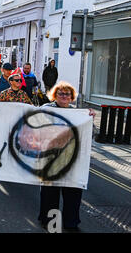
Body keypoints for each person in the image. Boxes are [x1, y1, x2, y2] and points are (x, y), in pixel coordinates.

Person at [38, 81, 96, 231]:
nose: (64, 96)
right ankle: (50, 221)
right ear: (54, 95)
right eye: (61, 93)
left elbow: (91, 133)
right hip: (51, 158)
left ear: (72, 97)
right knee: (50, 193)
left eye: (67, 94)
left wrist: (91, 118)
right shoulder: (46, 109)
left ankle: (71, 223)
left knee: (73, 191)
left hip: (72, 159)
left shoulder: (79, 113)